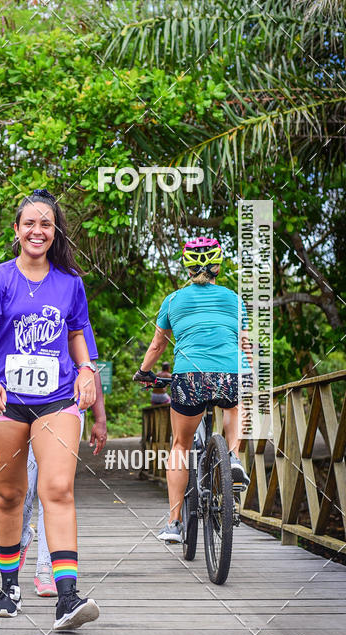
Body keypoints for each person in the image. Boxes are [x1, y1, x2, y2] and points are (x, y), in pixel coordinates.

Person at [0, 188, 100, 630]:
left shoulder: (70, 282)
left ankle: (68, 598)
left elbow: (78, 332)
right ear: (17, 230)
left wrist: (86, 370)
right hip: (4, 400)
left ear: (55, 231)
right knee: (8, 494)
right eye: (30, 223)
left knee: (58, 488)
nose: (37, 231)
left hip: (57, 398)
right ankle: (9, 586)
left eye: (46, 223)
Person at [133, 236, 251, 544]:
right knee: (235, 404)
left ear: (187, 268)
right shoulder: (234, 299)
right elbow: (245, 345)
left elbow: (158, 345)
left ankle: (174, 523)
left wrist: (144, 372)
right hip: (229, 373)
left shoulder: (173, 300)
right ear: (217, 267)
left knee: (180, 446)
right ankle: (233, 457)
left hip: (189, 377)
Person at [20, 321, 107, 597]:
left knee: (54, 489)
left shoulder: (71, 306)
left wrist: (100, 417)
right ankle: (21, 537)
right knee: (24, 487)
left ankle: (45, 567)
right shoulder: (14, 303)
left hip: (64, 407)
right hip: (21, 406)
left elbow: (89, 366)